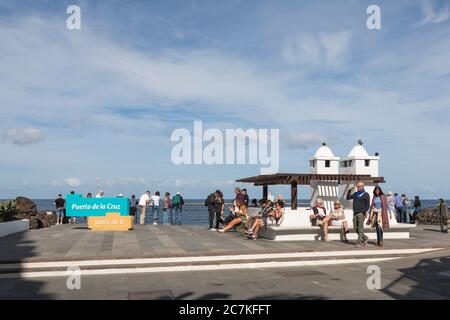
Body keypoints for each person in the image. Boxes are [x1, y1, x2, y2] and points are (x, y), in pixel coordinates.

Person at [347, 181, 371, 246]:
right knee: (355, 228)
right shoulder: (355, 194)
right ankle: (365, 238)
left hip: (361, 213)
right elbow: (348, 198)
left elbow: (368, 205)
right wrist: (349, 190)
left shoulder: (366, 194)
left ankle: (359, 242)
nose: (358, 188)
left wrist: (365, 212)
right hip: (355, 213)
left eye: (359, 187)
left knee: (360, 229)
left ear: (363, 187)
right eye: (357, 187)